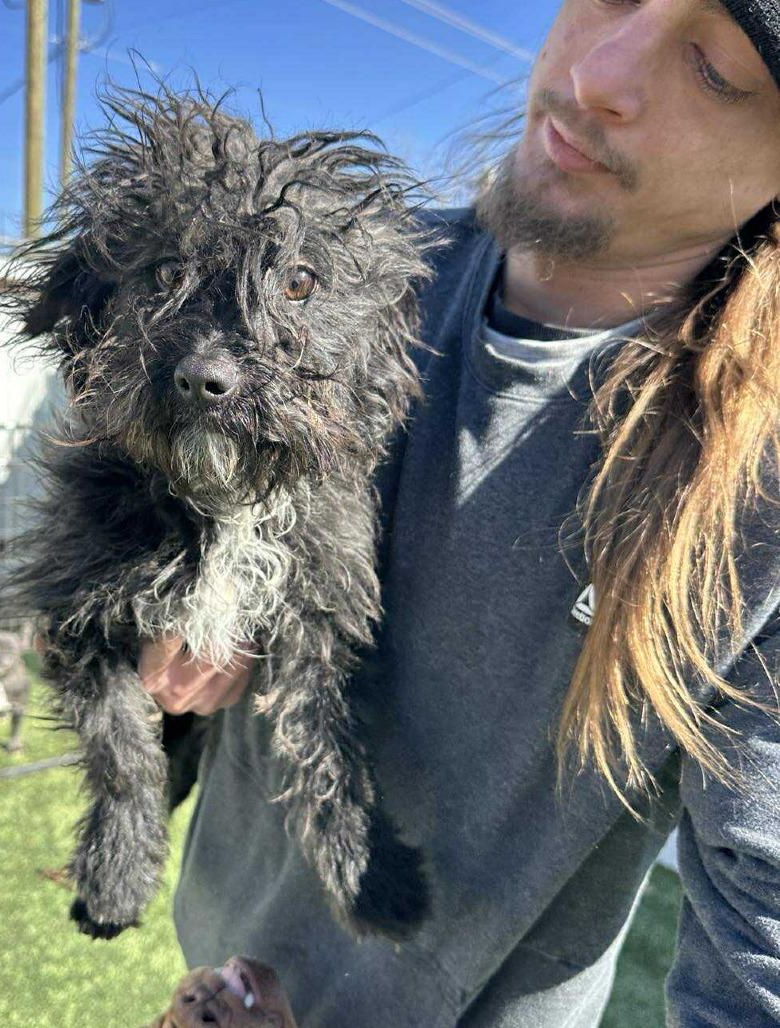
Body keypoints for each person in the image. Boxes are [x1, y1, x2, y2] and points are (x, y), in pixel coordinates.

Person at [138, 0, 780, 1024]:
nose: (597, 73)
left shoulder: (755, 487)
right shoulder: (332, 281)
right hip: (212, 947)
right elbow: (136, 485)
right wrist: (184, 567)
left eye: (711, 67)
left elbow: (763, 936)